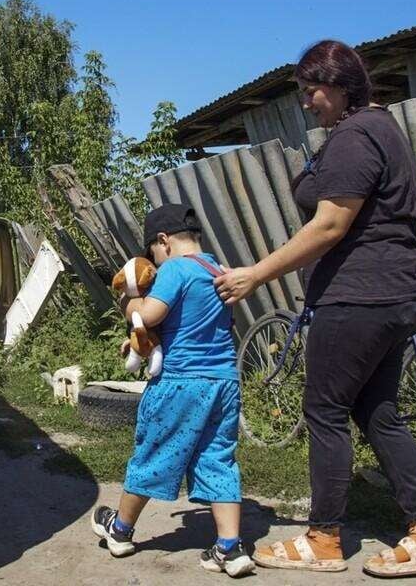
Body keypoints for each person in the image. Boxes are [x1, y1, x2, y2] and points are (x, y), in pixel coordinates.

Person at [213, 40, 416, 578]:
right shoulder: (377, 129)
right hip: (393, 296)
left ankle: (323, 538)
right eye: (301, 91)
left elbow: (329, 225)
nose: (305, 100)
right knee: (377, 413)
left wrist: (257, 273)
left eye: (311, 89)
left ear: (342, 82)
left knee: (324, 412)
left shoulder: (355, 136)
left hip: (360, 295)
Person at [91, 203, 256, 578]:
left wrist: (128, 301)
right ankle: (230, 549)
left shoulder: (175, 269)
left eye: (153, 254)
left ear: (163, 241)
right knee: (219, 459)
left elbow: (147, 316)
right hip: (224, 382)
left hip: (181, 382)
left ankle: (120, 529)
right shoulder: (218, 270)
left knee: (154, 452)